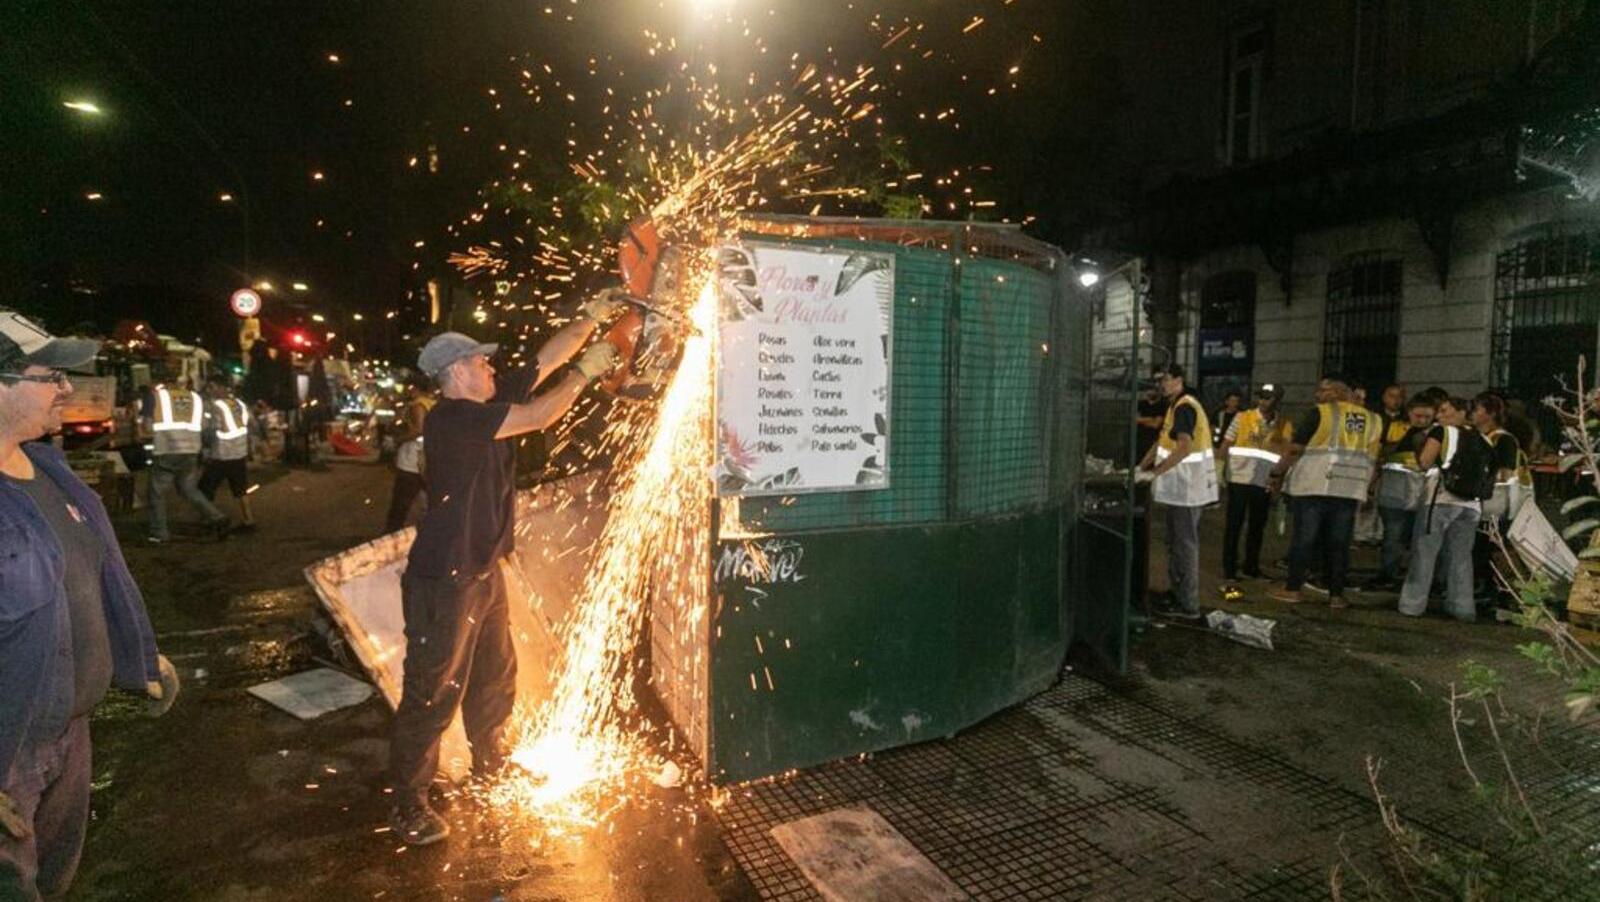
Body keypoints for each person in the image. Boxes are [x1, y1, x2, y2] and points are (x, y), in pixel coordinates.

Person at [386, 291, 625, 846]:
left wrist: (592, 317)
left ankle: (492, 763)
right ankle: (408, 803)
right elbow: (543, 412)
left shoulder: (486, 401)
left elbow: (548, 358)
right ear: (454, 374)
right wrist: (589, 374)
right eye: (479, 361)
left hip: (482, 571)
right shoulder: (452, 421)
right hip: (445, 580)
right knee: (433, 691)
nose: (490, 366)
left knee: (494, 673)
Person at [0, 309, 177, 899]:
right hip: (11, 753)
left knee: (51, 882)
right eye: (50, 375)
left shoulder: (50, 469)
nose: (67, 389)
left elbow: (94, 580)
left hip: (69, 733)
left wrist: (142, 658)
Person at [1268, 374, 1381, 609]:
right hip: (1349, 488)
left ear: (1339, 392)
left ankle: (1293, 589)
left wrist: (1277, 473)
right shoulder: (1373, 419)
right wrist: (1368, 489)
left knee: (1304, 539)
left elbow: (1295, 449)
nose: (1318, 395)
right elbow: (1372, 458)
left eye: (1324, 390)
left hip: (1314, 485)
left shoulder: (1321, 413)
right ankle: (1336, 595)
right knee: (1339, 543)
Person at [1138, 365, 1217, 620]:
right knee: (1176, 543)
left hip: (1187, 488)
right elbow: (1162, 441)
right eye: (1159, 380)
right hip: (1180, 488)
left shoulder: (1184, 407)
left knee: (1184, 545)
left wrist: (1153, 472)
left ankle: (1188, 605)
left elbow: (1183, 448)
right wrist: (1141, 466)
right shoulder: (1176, 406)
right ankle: (1178, 595)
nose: (1162, 384)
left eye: (1167, 380)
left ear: (1179, 381)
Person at [1399, 396, 1485, 621]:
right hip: (1472, 504)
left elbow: (1425, 462)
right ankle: (1463, 608)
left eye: (1445, 410)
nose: (1439, 416)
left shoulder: (1442, 432)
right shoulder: (1483, 437)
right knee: (1461, 557)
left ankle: (1412, 605)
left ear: (1460, 412)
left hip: (1440, 499)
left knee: (1424, 554)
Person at [142, 378, 229, 543]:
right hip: (190, 450)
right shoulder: (195, 399)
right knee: (188, 489)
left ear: (164, 383)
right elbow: (203, 426)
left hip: (166, 450)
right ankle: (217, 517)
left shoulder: (157, 397)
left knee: (157, 493)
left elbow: (147, 427)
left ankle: (159, 534)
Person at [1367, 395, 1435, 590]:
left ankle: (1402, 577)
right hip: (1396, 494)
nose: (1422, 420)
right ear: (1409, 413)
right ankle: (1391, 575)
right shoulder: (1400, 431)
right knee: (1393, 538)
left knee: (1406, 539)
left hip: (1415, 495)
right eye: (1418, 415)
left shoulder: (1432, 436)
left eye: (1427, 416)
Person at [1218, 383, 1281, 582]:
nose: (1263, 401)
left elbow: (1285, 452)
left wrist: (1277, 481)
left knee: (1257, 525)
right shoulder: (1242, 417)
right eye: (1261, 396)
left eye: (1268, 397)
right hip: (1240, 478)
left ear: (1277, 400)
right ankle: (1229, 569)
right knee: (1234, 524)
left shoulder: (1283, 424)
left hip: (1263, 480)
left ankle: (1251, 567)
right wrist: (1218, 471)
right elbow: (1226, 444)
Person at [199, 375, 255, 532]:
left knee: (204, 488)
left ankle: (211, 519)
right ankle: (248, 520)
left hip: (221, 454)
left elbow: (211, 431)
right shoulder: (239, 404)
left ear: (220, 387)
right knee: (240, 489)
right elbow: (249, 424)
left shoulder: (216, 406)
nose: (210, 390)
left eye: (212, 387)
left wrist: (205, 448)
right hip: (239, 452)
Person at [384, 380, 434, 533]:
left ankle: (390, 537)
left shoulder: (417, 405)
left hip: (412, 460)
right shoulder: (433, 404)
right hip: (428, 458)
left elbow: (419, 429)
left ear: (415, 388)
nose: (407, 391)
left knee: (400, 503)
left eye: (409, 388)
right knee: (431, 502)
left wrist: (396, 440)